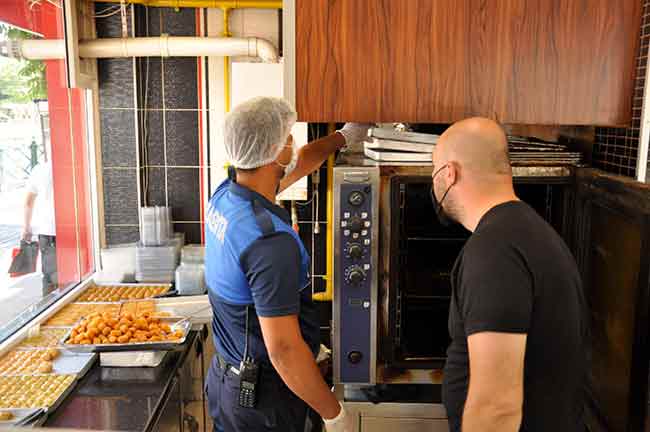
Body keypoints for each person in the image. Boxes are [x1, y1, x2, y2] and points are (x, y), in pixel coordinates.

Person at [204, 96, 371, 432]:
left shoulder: (227, 194)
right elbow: (283, 349)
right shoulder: (270, 243)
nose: (293, 142)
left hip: (226, 382)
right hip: (265, 401)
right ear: (276, 153)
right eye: (289, 137)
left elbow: (296, 165)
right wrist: (333, 413)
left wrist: (343, 137)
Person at [433, 118, 587, 432]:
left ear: (449, 173)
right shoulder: (528, 231)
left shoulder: (494, 250)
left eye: (433, 171)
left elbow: (497, 407)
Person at [22, 160, 57, 296]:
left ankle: (49, 309)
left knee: (50, 277)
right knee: (77, 275)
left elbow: (28, 202)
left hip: (47, 230)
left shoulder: (39, 169)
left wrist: (26, 227)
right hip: (75, 228)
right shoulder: (75, 164)